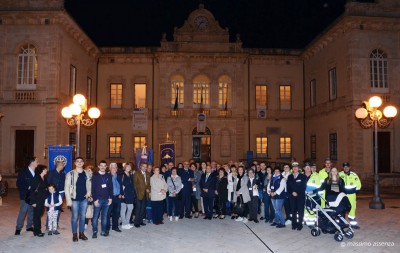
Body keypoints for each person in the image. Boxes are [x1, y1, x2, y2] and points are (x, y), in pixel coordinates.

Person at [65, 157, 92, 242]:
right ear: (75, 163)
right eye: (77, 161)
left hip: (84, 199)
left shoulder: (87, 173)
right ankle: (74, 234)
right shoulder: (70, 174)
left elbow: (89, 185)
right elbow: (66, 188)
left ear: (83, 163)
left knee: (83, 217)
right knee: (74, 218)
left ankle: (81, 233)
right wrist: (68, 201)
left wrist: (88, 193)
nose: (79, 163)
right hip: (74, 199)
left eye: (81, 161)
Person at [15, 156, 37, 235]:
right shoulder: (23, 172)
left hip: (34, 196)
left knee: (31, 211)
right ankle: (18, 228)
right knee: (23, 211)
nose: (37, 162)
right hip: (25, 196)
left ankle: (29, 226)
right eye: (36, 161)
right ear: (32, 163)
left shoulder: (37, 172)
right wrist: (28, 187)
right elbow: (18, 184)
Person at [92, 160, 113, 238]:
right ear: (98, 166)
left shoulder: (108, 176)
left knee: (104, 216)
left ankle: (103, 231)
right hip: (98, 199)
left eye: (104, 166)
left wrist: (110, 198)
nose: (103, 167)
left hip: (106, 199)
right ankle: (95, 231)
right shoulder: (95, 176)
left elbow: (111, 188)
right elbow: (93, 189)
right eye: (101, 165)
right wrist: (95, 199)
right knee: (95, 216)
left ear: (106, 167)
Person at [339, 162, 361, 229]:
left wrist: (352, 191)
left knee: (352, 209)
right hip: (342, 196)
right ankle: (341, 223)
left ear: (349, 167)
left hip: (351, 196)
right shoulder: (339, 174)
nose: (346, 168)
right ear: (343, 168)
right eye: (344, 167)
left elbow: (359, 186)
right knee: (341, 209)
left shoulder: (354, 175)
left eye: (347, 166)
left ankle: (353, 224)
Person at [287, 162, 307, 230]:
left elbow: (303, 186)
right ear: (292, 169)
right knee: (293, 211)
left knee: (300, 211)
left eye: (296, 167)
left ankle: (300, 225)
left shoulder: (303, 176)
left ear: (298, 168)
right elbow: (288, 187)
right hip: (292, 197)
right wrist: (292, 192)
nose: (295, 168)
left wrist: (297, 192)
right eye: (293, 167)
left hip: (300, 197)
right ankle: (294, 224)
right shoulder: (289, 176)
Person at [46, 160, 66, 228]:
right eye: (62, 165)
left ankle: (55, 224)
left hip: (61, 192)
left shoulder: (63, 173)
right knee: (51, 209)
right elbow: (48, 182)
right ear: (59, 165)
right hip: (53, 193)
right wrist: (50, 191)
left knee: (58, 209)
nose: (63, 166)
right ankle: (48, 224)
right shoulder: (51, 173)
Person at [30, 165, 48, 237]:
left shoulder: (44, 178)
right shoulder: (36, 178)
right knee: (37, 215)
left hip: (42, 199)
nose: (46, 170)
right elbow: (32, 191)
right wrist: (33, 202)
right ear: (41, 170)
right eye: (45, 169)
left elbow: (45, 187)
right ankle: (37, 231)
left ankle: (36, 230)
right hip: (37, 199)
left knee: (40, 214)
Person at [106, 163, 123, 233]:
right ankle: (106, 228)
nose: (114, 169)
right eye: (112, 167)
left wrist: (121, 194)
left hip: (118, 197)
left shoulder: (119, 176)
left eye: (115, 167)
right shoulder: (107, 176)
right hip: (110, 197)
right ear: (110, 169)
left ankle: (115, 227)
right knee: (107, 213)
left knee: (116, 213)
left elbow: (121, 186)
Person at [303, 163, 321, 227]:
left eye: (309, 167)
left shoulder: (315, 176)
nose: (308, 169)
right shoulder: (302, 176)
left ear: (311, 169)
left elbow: (319, 188)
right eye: (306, 167)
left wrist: (313, 191)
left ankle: (311, 223)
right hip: (304, 197)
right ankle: (306, 221)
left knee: (312, 210)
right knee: (305, 209)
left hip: (313, 197)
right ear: (304, 169)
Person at [133, 163, 151, 228]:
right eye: (143, 166)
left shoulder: (148, 174)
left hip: (145, 194)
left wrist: (148, 189)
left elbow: (148, 184)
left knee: (143, 208)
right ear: (140, 167)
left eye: (146, 167)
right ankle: (136, 222)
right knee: (138, 208)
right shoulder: (136, 173)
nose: (145, 168)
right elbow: (134, 184)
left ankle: (140, 221)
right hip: (138, 194)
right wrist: (136, 194)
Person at [119, 162, 136, 229]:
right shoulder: (122, 175)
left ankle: (126, 222)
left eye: (130, 167)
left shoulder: (130, 175)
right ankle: (124, 224)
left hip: (130, 194)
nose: (129, 168)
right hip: (125, 194)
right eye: (127, 166)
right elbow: (121, 185)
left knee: (130, 208)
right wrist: (122, 193)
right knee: (123, 209)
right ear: (125, 167)